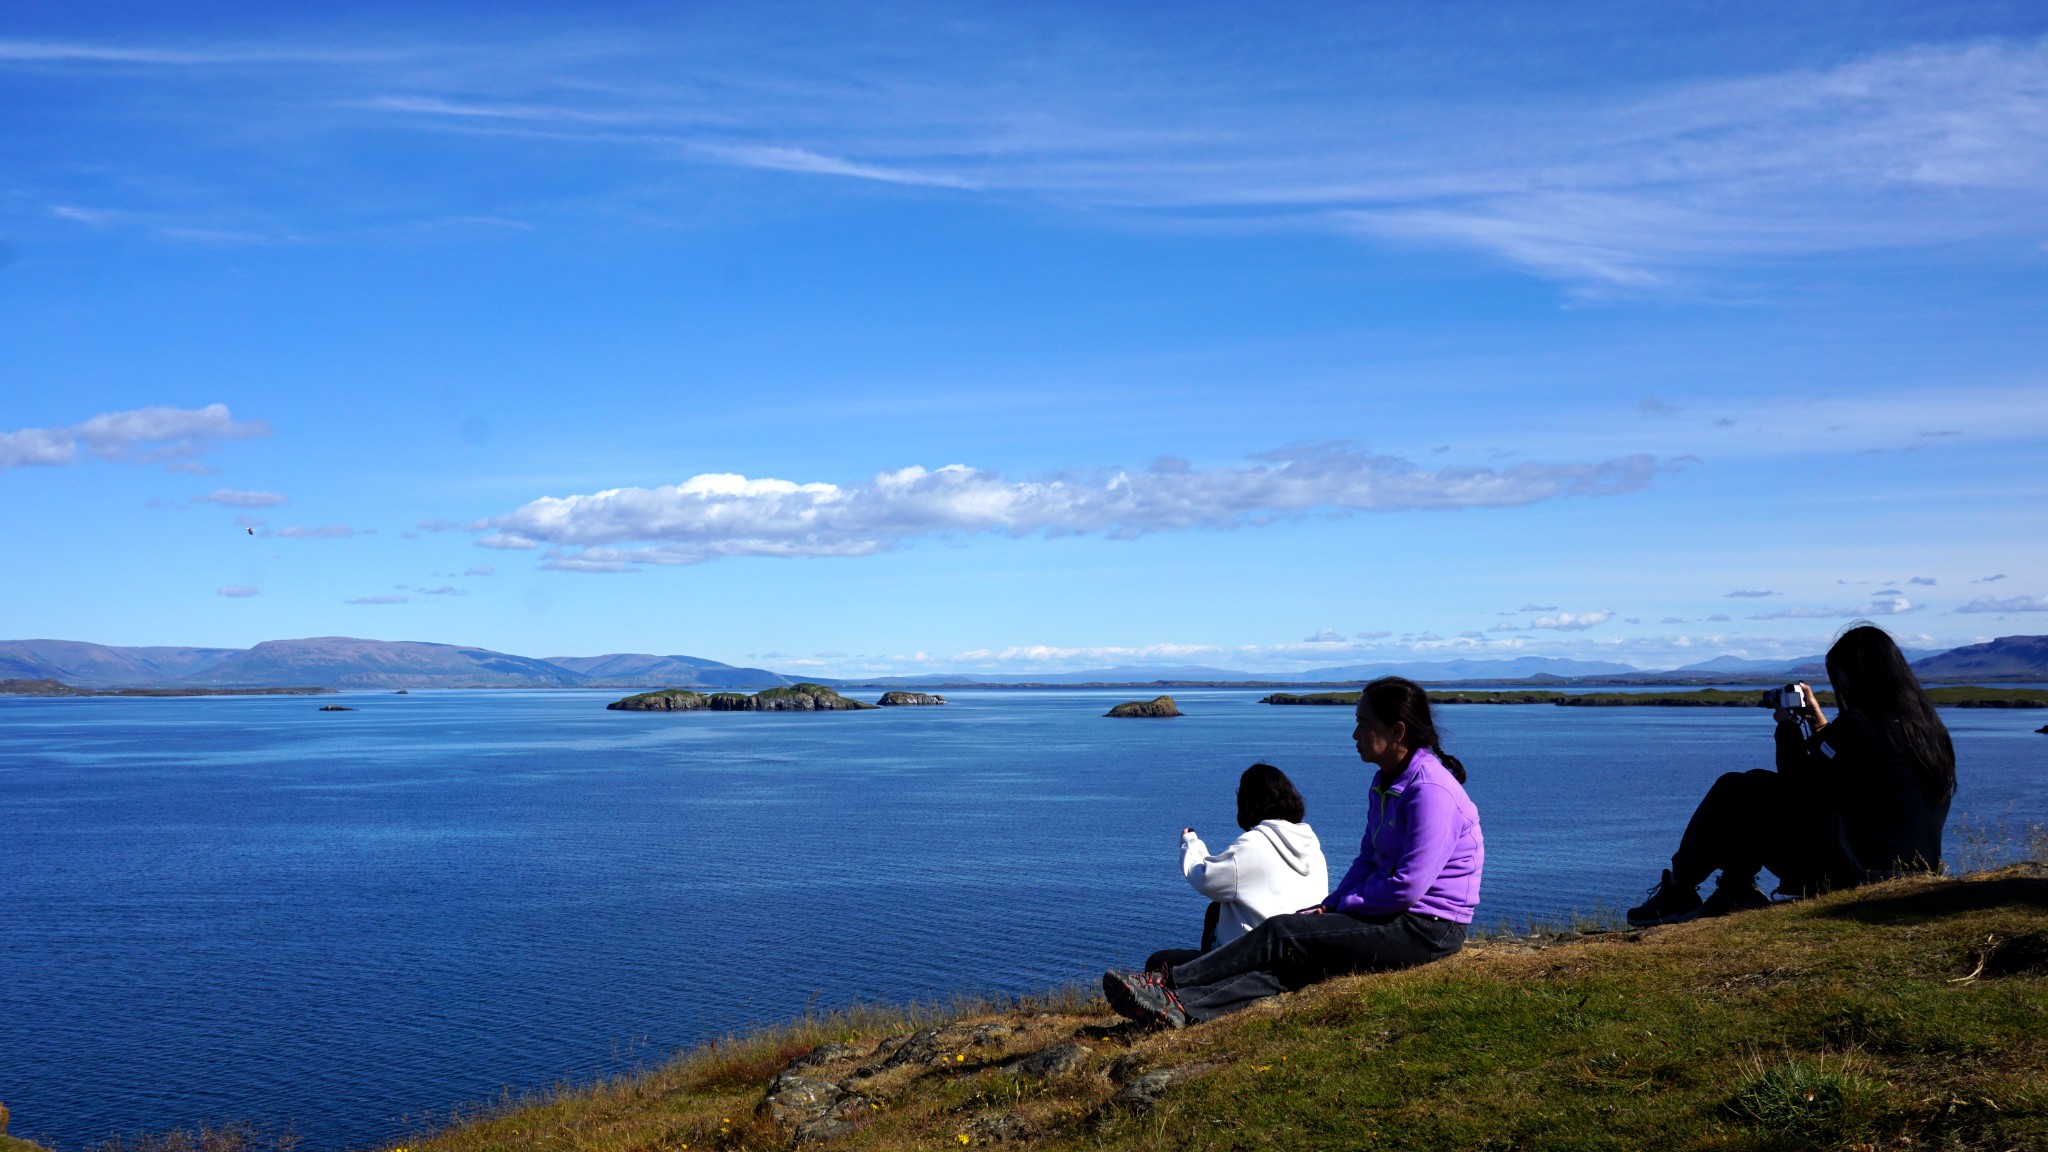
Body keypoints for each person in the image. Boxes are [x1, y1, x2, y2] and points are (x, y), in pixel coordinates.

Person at [1103, 677, 1484, 1029]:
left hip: (1428, 927)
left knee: (1283, 931)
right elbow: (1367, 858)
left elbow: (1407, 887)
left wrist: (1346, 904)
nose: (1355, 733)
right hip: (1402, 918)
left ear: (1397, 730)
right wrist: (1332, 903)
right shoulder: (1386, 783)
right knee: (1295, 964)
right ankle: (1182, 1008)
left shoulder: (1431, 792)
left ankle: (1166, 981)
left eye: (1363, 723)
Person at [1627, 623, 1956, 927]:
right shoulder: (1928, 731)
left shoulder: (1860, 726)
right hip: (1911, 868)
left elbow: (1797, 782)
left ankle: (1685, 891)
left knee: (1736, 789)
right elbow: (1842, 766)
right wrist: (1817, 719)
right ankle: (1733, 891)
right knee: (1753, 784)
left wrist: (1786, 728)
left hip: (1851, 873)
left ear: (1856, 677)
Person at [1142, 763, 1329, 975]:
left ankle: (1204, 985)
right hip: (1302, 954)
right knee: (1216, 910)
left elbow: (1205, 877)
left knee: (1158, 962)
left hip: (1253, 959)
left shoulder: (1253, 844)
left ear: (1247, 802)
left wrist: (1190, 843)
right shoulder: (1312, 845)